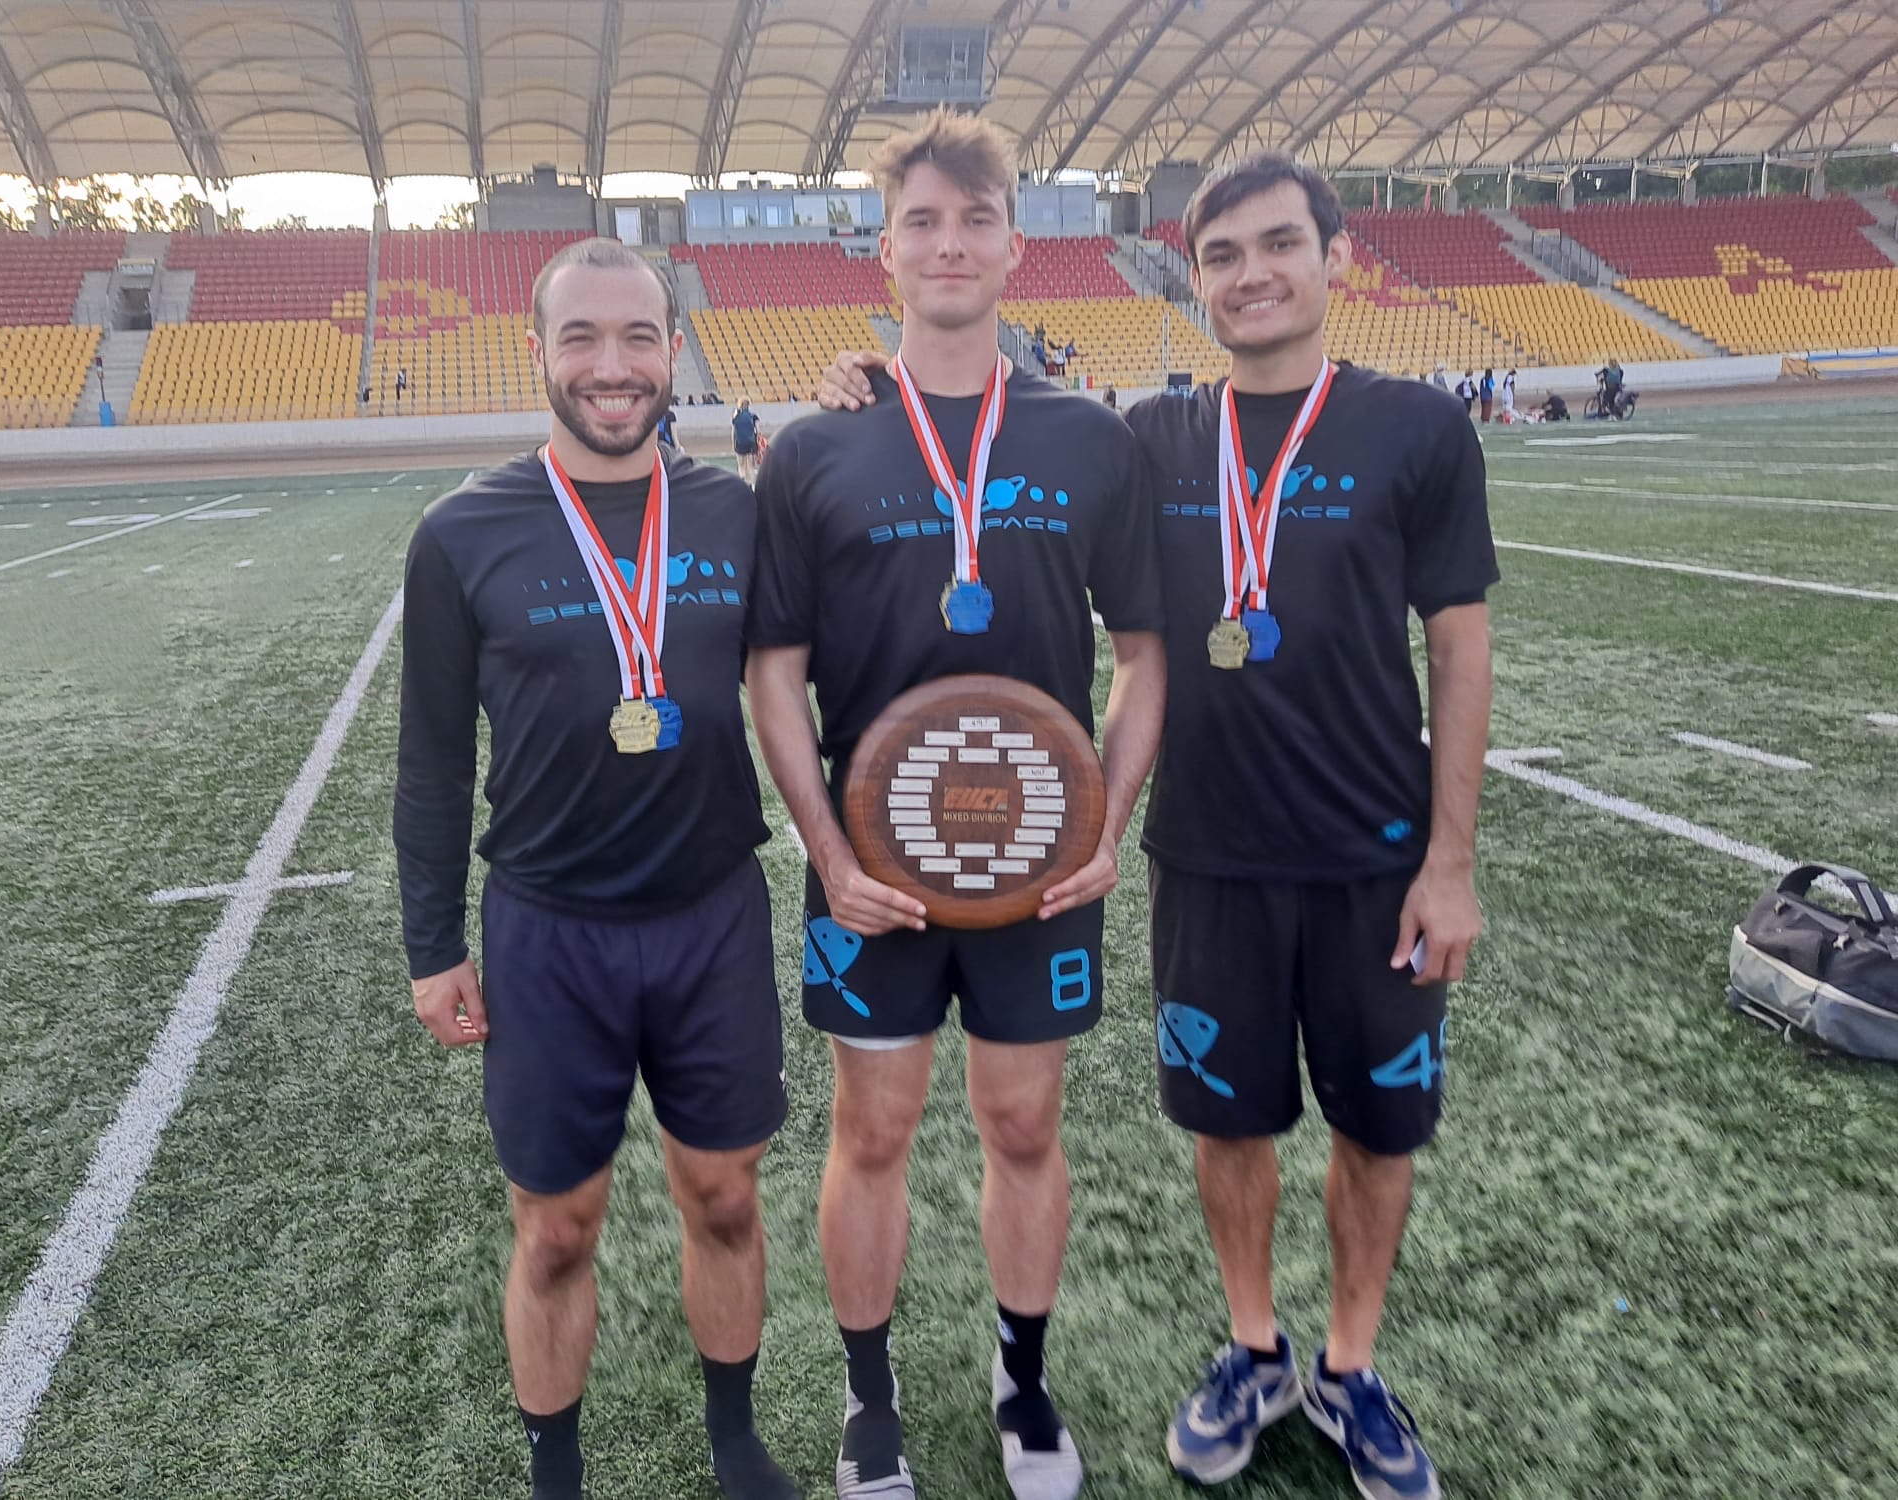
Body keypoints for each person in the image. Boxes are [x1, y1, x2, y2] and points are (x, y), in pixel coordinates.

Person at [745, 106, 1167, 1500]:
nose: (949, 243)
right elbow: (776, 679)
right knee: (868, 1131)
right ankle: (871, 1408)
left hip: (1037, 867)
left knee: (1023, 1126)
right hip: (872, 870)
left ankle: (1023, 1382)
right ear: (885, 250)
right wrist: (824, 852)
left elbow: (1148, 658)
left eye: (975, 219)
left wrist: (1105, 832)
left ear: (1016, 244)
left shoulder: (1093, 442)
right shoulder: (816, 447)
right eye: (922, 220)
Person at [394, 238, 800, 1500]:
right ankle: (554, 1476)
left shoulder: (739, 513)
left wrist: (862, 388)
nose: (611, 366)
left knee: (723, 1198)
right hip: (546, 931)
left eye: (637, 337)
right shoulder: (461, 533)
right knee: (557, 1229)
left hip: (710, 918)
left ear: (672, 350)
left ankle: (733, 1443)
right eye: (582, 338)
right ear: (540, 355)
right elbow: (428, 764)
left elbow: (800, 685)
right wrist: (429, 944)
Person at [1127, 150, 1493, 1500]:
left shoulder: (1416, 429)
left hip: (1374, 862)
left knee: (1379, 1134)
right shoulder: (1155, 439)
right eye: (1223, 255)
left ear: (1336, 260)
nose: (1253, 273)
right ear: (1196, 280)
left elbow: (1459, 649)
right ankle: (1253, 1347)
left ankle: (1348, 1367)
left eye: (1280, 244)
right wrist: (861, 395)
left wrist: (1449, 863)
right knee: (1230, 1127)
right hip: (1209, 859)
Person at [732, 397, 762, 483]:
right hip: (751, 442)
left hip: (740, 443)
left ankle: (743, 483)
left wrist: (733, 443)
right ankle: (752, 485)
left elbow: (734, 432)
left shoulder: (736, 417)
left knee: (741, 466)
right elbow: (758, 430)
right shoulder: (753, 416)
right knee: (751, 467)